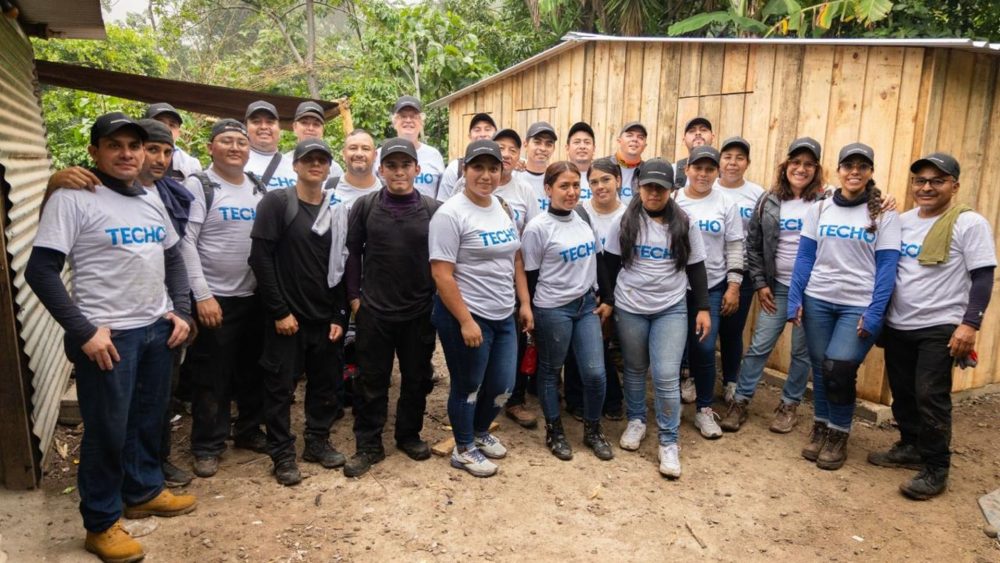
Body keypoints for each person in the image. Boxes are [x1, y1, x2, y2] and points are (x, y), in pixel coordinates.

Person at [25, 112, 197, 562]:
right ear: (94, 151)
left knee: (148, 417)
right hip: (109, 338)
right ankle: (101, 522)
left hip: (156, 331)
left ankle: (142, 491)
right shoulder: (75, 197)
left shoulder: (149, 197)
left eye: (134, 146)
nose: (127, 154)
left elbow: (174, 257)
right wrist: (83, 331)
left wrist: (178, 310)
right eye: (115, 145)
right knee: (106, 431)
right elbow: (40, 271)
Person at [871, 153, 996, 499]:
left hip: (940, 326)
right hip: (899, 323)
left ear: (954, 186)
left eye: (936, 181)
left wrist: (970, 324)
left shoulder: (968, 224)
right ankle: (910, 445)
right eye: (920, 181)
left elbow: (983, 277)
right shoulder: (903, 220)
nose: (926, 187)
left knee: (930, 395)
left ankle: (936, 467)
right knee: (905, 392)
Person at [787, 142, 900, 471]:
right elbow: (805, 257)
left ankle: (839, 433)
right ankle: (821, 425)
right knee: (822, 367)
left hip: (858, 303)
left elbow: (887, 267)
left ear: (870, 173)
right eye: (848, 166)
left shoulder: (883, 213)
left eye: (861, 167)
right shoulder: (820, 209)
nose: (854, 171)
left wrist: (875, 311)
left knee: (840, 367)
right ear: (838, 171)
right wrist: (795, 298)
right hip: (818, 298)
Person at [429, 139, 533, 478]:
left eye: (493, 168)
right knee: (468, 384)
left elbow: (515, 256)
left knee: (502, 384)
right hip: (468, 315)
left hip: (503, 312)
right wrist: (465, 320)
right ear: (465, 170)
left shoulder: (500, 206)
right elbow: (441, 275)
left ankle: (479, 430)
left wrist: (524, 302)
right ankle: (463, 448)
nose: (486, 175)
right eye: (478, 168)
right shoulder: (450, 213)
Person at [602, 158, 710, 478]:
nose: (653, 193)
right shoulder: (623, 221)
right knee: (634, 368)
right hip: (630, 305)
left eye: (661, 188)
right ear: (638, 186)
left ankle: (669, 440)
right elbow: (609, 265)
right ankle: (636, 420)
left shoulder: (685, 223)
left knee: (664, 373)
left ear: (671, 190)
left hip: (670, 307)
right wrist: (608, 302)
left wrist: (702, 307)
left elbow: (696, 267)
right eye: (648, 186)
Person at [249, 139, 349, 486]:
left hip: (324, 317)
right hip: (287, 318)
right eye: (309, 159)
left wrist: (339, 315)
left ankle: (317, 442)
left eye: (322, 159)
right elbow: (260, 258)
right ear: (296, 165)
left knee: (326, 385)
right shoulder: (277, 202)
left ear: (328, 167)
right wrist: (279, 311)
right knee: (279, 389)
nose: (315, 165)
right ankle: (282, 454)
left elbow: (340, 264)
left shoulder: (334, 208)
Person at [342, 138, 442, 477]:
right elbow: (353, 253)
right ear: (381, 169)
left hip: (418, 311)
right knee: (371, 380)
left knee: (416, 378)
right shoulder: (366, 206)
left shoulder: (433, 209)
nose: (399, 172)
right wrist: (355, 298)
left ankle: (408, 435)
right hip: (375, 311)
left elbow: (442, 260)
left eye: (405, 165)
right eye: (392, 166)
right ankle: (368, 443)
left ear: (417, 169)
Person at [181, 119, 268, 478]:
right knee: (211, 374)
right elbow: (185, 241)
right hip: (215, 297)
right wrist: (201, 295)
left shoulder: (256, 187)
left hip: (253, 295)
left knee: (253, 369)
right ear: (210, 147)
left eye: (241, 142)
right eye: (226, 141)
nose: (235, 147)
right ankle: (207, 444)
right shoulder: (200, 185)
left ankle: (248, 431)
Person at [720, 137, 823, 433]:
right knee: (759, 345)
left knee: (801, 353)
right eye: (795, 163)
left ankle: (789, 405)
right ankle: (740, 401)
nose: (800, 169)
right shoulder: (770, 199)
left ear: (816, 169)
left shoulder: (826, 202)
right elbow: (752, 243)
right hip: (776, 286)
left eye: (807, 164)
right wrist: (761, 282)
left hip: (810, 290)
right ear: (786, 166)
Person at [522, 161, 614, 461]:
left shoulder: (583, 219)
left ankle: (592, 430)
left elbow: (599, 261)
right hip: (552, 309)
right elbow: (530, 275)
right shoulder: (538, 228)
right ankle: (555, 431)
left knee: (595, 374)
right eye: (564, 186)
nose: (572, 192)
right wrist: (532, 314)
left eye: (576, 185)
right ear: (548, 189)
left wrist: (607, 298)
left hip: (586, 305)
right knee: (550, 372)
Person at [674, 145, 744, 440]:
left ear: (716, 172)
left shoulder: (726, 202)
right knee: (675, 348)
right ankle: (671, 405)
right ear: (687, 169)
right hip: (675, 288)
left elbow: (735, 245)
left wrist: (734, 285)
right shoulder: (675, 200)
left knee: (704, 348)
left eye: (709, 169)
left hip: (712, 285)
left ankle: (704, 409)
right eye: (697, 168)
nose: (703, 174)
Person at [564, 158, 627, 421]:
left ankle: (612, 398)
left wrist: (610, 296)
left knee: (604, 348)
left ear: (618, 181)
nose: (600, 186)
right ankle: (576, 399)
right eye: (593, 182)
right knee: (578, 347)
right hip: (584, 290)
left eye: (606, 180)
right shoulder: (579, 212)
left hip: (622, 291)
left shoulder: (629, 214)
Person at [714, 136, 765, 401]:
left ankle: (731, 380)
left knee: (732, 331)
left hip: (742, 273)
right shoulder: (706, 188)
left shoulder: (757, 194)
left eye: (739, 158)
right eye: (728, 157)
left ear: (747, 163)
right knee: (703, 329)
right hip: (709, 272)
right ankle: (693, 378)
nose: (733, 163)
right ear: (719, 161)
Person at [376, 95, 445, 199]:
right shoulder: (379, 154)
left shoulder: (434, 155)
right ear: (394, 122)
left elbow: (442, 195)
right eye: (403, 116)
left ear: (421, 122)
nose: (408, 120)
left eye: (413, 116)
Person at [436, 113, 497, 201]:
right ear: (470, 136)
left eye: (487, 129)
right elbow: (441, 204)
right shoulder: (455, 168)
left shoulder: (508, 167)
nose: (483, 134)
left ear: (496, 134)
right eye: (477, 130)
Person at [284, 101, 346, 182]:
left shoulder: (334, 169)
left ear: (322, 130)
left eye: (316, 124)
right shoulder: (283, 163)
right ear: (295, 127)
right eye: (304, 123)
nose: (310, 128)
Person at [244, 100, 298, 190]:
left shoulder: (295, 167)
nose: (264, 127)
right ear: (246, 128)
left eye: (270, 122)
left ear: (279, 128)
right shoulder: (234, 163)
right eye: (256, 122)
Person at [145, 102, 202, 180]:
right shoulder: (131, 155)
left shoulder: (190, 164)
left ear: (179, 133)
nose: (166, 128)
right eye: (159, 122)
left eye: (172, 125)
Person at [515, 121, 557, 210]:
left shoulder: (556, 179)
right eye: (537, 142)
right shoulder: (514, 176)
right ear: (525, 144)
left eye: (548, 144)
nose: (543, 148)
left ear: (554, 148)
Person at [673, 116, 715, 190]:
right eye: (692, 131)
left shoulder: (724, 172)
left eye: (703, 130)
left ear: (712, 137)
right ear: (684, 140)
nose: (698, 133)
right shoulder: (673, 171)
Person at [610, 121, 647, 203]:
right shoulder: (603, 167)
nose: (635, 140)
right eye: (629, 135)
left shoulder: (648, 171)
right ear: (619, 141)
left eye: (640, 137)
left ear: (645, 146)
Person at [566, 121, 596, 201]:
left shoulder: (603, 176)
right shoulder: (557, 176)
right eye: (577, 142)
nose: (582, 146)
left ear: (594, 148)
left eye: (587, 142)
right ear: (567, 148)